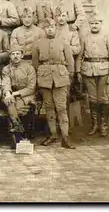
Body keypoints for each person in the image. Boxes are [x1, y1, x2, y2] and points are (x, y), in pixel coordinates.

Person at [32, 17, 75, 149]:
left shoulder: (63, 42)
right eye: (47, 27)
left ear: (56, 28)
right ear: (44, 29)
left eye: (52, 27)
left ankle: (65, 137)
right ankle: (53, 134)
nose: (50, 29)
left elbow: (70, 62)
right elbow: (35, 63)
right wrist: (39, 77)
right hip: (44, 78)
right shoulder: (37, 43)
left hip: (60, 77)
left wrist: (69, 76)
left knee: (61, 107)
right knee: (49, 107)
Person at [76, 12, 109, 137]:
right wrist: (78, 71)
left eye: (96, 23)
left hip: (104, 71)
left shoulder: (107, 37)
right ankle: (94, 125)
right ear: (89, 25)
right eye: (92, 23)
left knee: (103, 98)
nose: (94, 26)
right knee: (93, 99)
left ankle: (103, 125)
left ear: (101, 24)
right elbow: (79, 56)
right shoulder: (84, 37)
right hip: (88, 71)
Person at [1, 44, 37, 137]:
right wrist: (8, 93)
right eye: (13, 54)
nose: (15, 56)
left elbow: (31, 87)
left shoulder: (29, 68)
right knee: (8, 100)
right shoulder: (6, 69)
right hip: (12, 95)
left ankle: (19, 131)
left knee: (20, 109)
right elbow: (6, 83)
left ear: (22, 55)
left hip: (26, 95)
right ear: (10, 56)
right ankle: (17, 127)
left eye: (18, 53)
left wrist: (15, 94)